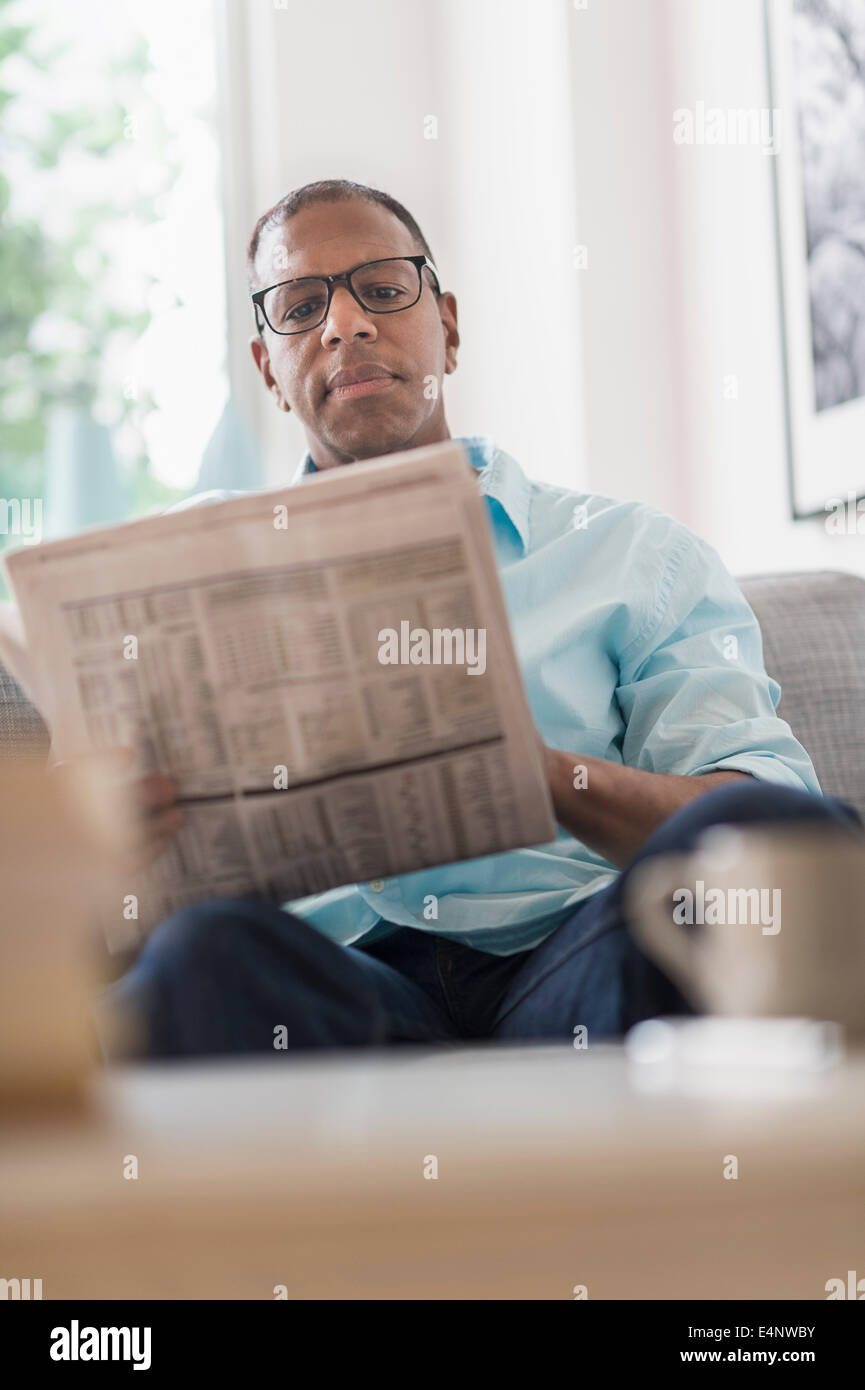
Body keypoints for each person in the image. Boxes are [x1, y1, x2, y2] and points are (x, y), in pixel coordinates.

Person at [96, 179, 861, 1059]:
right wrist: (114, 843)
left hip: (579, 958)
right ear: (269, 367)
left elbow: (761, 819)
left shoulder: (636, 554)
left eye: (382, 289)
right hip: (329, 982)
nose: (345, 324)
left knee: (776, 838)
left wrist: (541, 775)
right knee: (200, 957)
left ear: (447, 327)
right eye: (300, 306)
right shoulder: (187, 569)